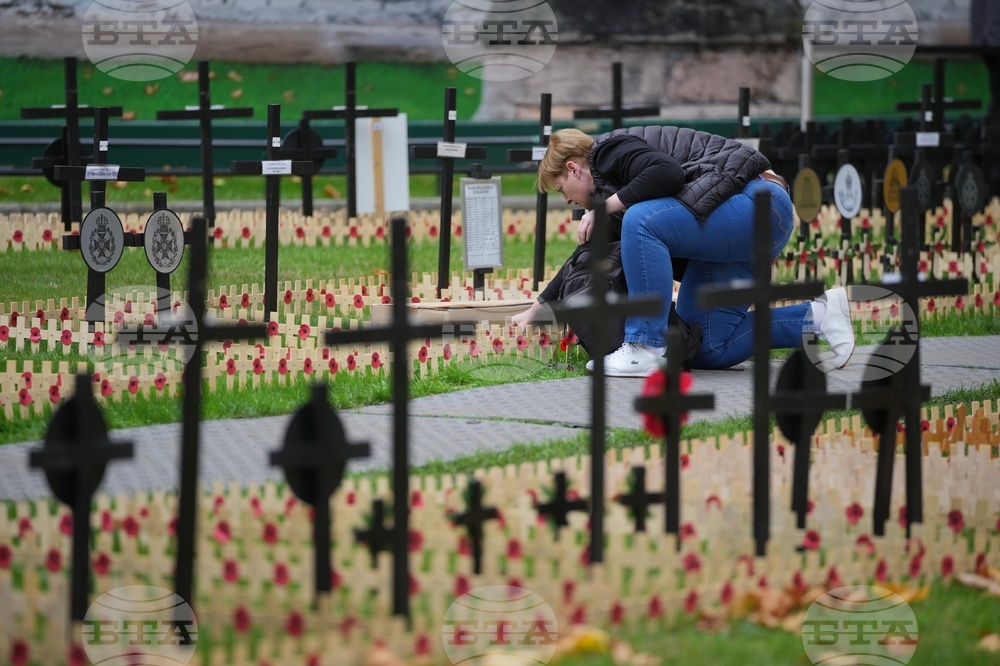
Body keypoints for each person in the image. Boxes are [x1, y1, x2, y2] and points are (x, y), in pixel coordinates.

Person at [513, 126, 855, 377]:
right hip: (729, 236)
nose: (567, 200)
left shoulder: (608, 152)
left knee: (640, 220)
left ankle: (645, 346)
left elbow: (668, 173)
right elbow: (583, 254)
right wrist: (537, 308)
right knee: (706, 345)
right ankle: (821, 317)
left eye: (562, 189)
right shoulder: (618, 201)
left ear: (574, 168)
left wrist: (605, 208)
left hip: (758, 204)